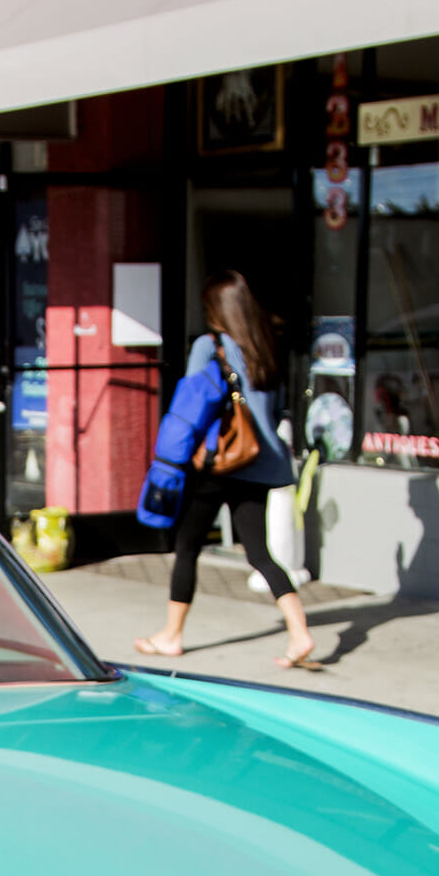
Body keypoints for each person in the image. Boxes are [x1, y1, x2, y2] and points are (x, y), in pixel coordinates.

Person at [135, 271, 320, 670]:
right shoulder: (266, 347)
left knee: (187, 546)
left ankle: (170, 636)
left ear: (216, 311)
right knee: (259, 553)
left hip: (219, 463)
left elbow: (190, 404)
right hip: (258, 463)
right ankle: (300, 632)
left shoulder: (209, 346)